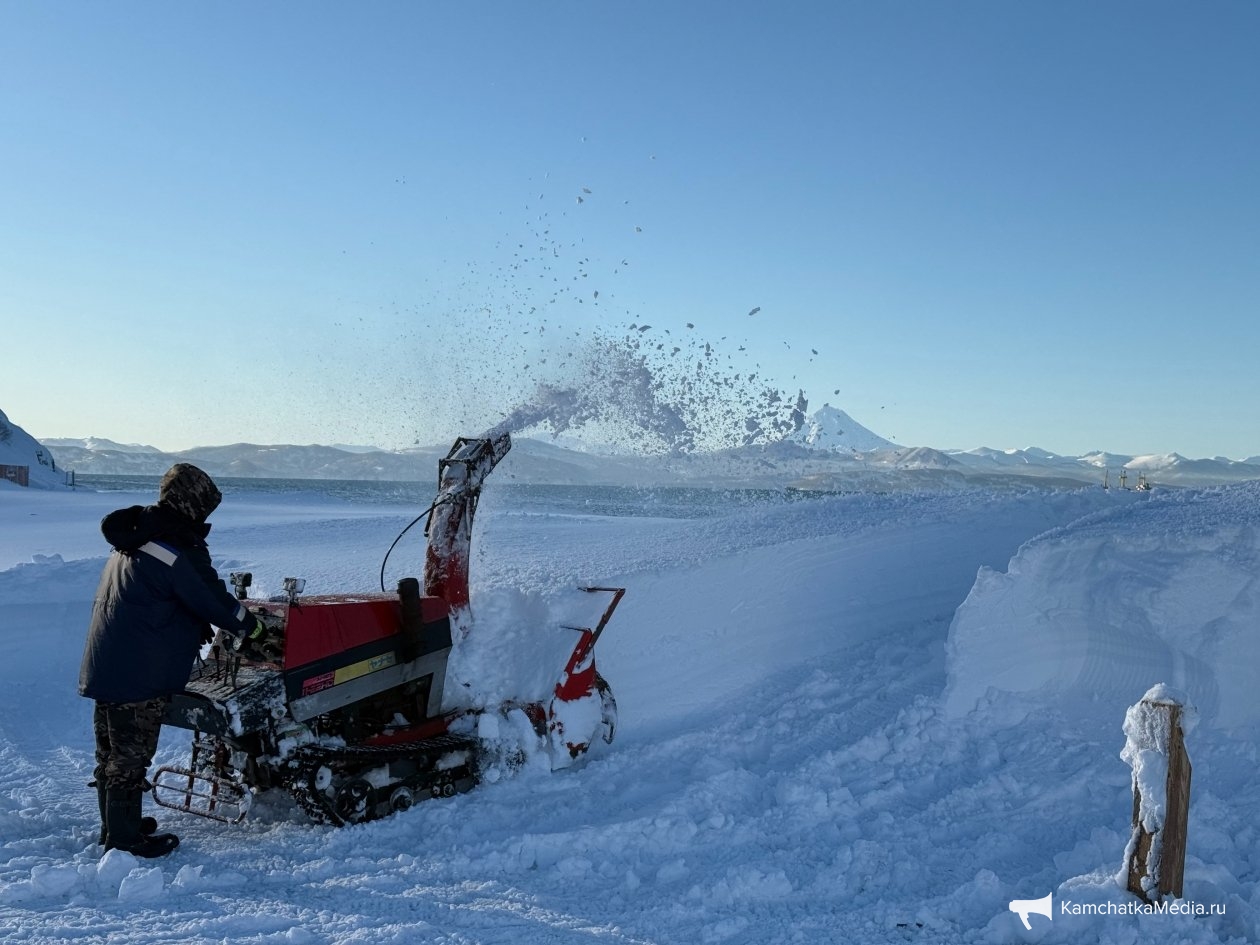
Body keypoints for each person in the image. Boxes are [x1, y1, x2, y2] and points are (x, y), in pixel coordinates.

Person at [79, 463, 263, 857]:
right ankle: (124, 841)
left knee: (111, 752)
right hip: (139, 671)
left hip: (108, 661)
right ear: (192, 505)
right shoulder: (175, 547)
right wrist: (254, 627)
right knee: (129, 757)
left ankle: (114, 825)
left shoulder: (134, 537)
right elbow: (211, 599)